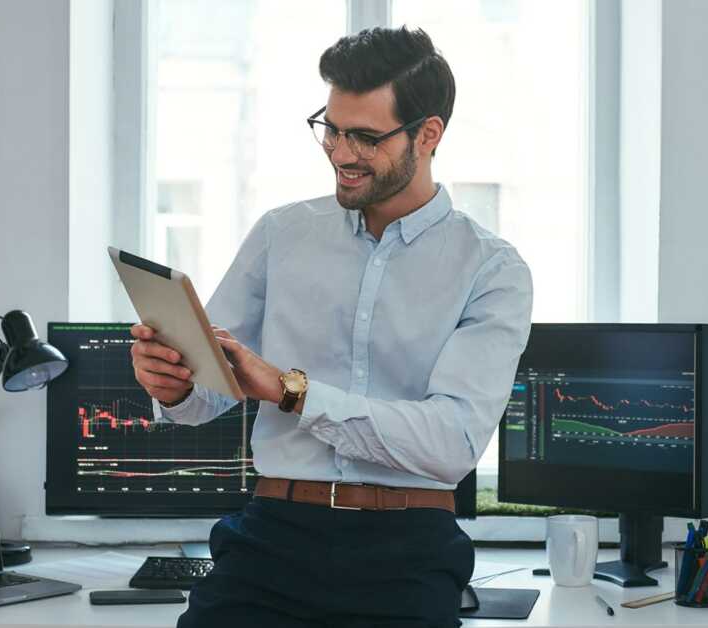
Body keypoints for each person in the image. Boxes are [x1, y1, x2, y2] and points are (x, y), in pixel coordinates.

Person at [130, 25, 532, 628]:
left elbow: (450, 444)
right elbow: (211, 391)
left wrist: (291, 391)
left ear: (429, 134)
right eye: (332, 129)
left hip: (407, 550)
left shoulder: (492, 269)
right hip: (271, 539)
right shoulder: (280, 233)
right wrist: (176, 384)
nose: (341, 154)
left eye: (366, 138)